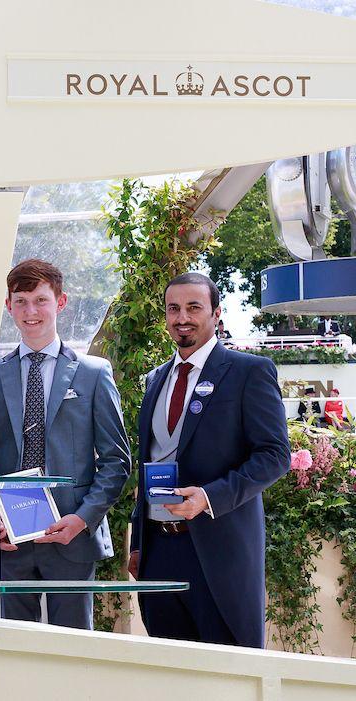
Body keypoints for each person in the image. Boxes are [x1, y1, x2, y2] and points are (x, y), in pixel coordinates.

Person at [128, 272, 290, 648]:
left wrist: (209, 496)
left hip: (219, 553)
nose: (182, 317)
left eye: (193, 308)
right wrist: (139, 542)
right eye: (174, 309)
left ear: (216, 314)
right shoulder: (156, 381)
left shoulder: (248, 372)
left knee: (229, 674)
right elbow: (149, 460)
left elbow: (275, 455)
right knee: (171, 674)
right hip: (160, 553)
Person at [0, 259, 130, 629]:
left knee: (73, 651)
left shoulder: (94, 374)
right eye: (21, 301)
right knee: (11, 649)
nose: (31, 311)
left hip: (71, 536)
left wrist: (83, 519)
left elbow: (116, 461)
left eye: (40, 300)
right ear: (8, 305)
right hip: (8, 540)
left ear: (61, 303)